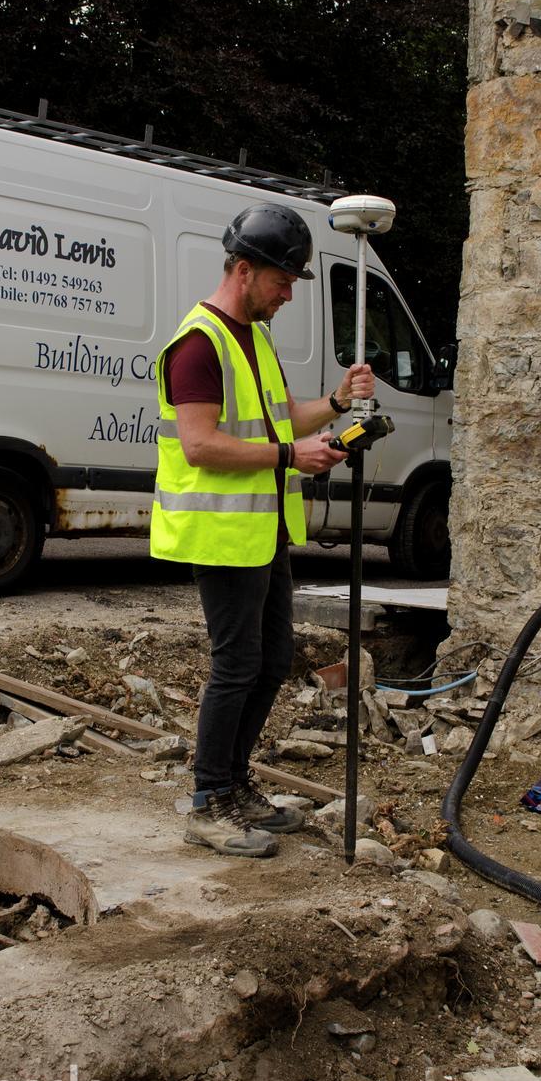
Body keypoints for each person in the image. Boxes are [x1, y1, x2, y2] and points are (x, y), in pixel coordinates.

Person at [152, 203, 375, 857]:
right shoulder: (198, 344)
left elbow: (281, 421)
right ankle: (207, 800)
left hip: (263, 530)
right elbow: (199, 445)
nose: (287, 294)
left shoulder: (252, 336)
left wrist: (333, 409)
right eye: (283, 280)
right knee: (237, 664)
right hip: (221, 534)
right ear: (244, 270)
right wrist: (289, 458)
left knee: (273, 660)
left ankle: (234, 785)